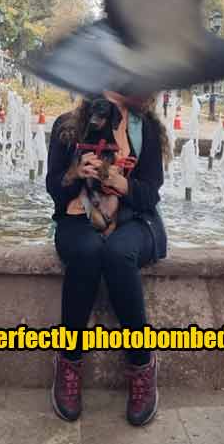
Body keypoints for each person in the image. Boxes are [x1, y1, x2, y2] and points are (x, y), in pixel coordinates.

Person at [45, 92, 169, 427]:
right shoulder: (67, 127)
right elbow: (54, 187)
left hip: (135, 221)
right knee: (86, 252)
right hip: (78, 217)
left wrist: (117, 181)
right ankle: (68, 363)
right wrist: (75, 172)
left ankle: (142, 367)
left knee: (117, 254)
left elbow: (150, 194)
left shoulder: (147, 132)